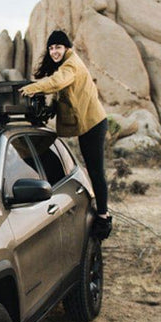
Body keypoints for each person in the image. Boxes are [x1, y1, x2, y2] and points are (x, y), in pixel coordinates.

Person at [19, 30, 112, 239]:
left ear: (66, 48)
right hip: (88, 121)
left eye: (58, 47)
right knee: (92, 168)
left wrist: (33, 88)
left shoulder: (71, 64)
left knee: (96, 170)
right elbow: (65, 94)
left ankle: (104, 218)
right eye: (51, 48)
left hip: (93, 123)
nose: (54, 51)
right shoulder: (66, 63)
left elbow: (58, 82)